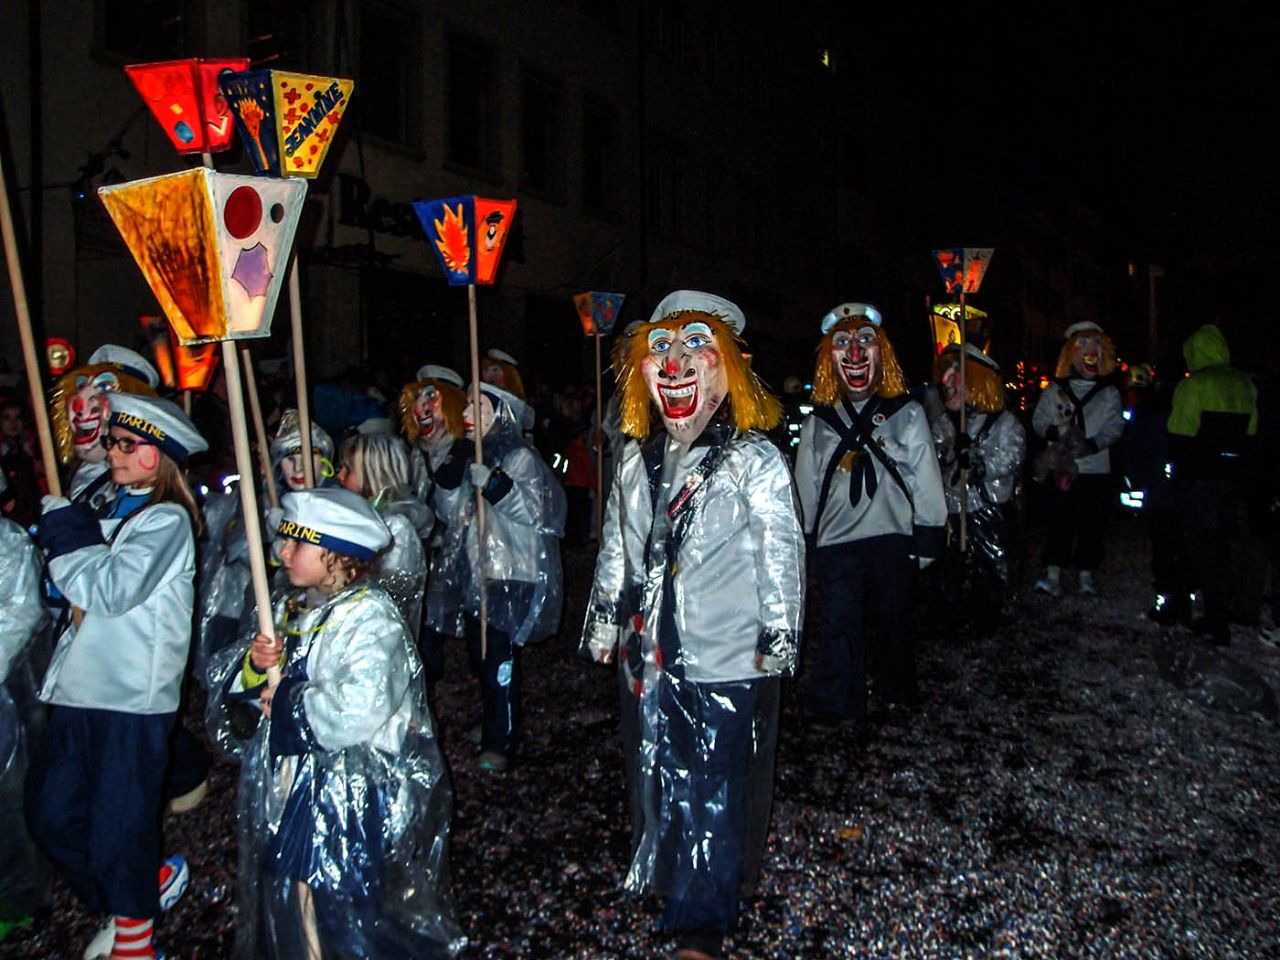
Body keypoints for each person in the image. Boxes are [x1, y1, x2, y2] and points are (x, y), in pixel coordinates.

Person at [582, 290, 804, 960]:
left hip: (725, 655)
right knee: (651, 761)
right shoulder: (631, 458)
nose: (674, 363)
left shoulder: (753, 460)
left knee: (713, 776)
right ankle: (669, 869)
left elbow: (781, 551)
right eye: (659, 349)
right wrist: (601, 624)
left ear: (728, 367)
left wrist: (780, 633)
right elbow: (616, 548)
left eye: (694, 346)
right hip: (645, 653)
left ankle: (703, 915)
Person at [207, 488, 464, 958]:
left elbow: (359, 709)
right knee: (295, 893)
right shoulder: (294, 610)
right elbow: (253, 695)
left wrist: (288, 699)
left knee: (340, 901)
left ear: (336, 556)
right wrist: (255, 665)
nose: (282, 551)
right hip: (299, 786)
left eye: (296, 543)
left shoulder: (371, 619)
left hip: (352, 794)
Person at [26, 393, 204, 960]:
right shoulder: (104, 505)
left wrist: (66, 534)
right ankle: (134, 895)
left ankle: (135, 938)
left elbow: (108, 589)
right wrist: (60, 537)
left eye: (130, 445)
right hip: (79, 687)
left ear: (163, 457)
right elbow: (68, 587)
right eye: (112, 442)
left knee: (118, 826)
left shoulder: (168, 520)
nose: (115, 452)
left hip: (131, 698)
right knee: (50, 813)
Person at [794, 302, 947, 722]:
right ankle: (836, 702)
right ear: (830, 358)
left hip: (892, 540)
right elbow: (806, 487)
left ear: (883, 353)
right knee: (840, 622)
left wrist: (929, 538)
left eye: (866, 342)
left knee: (893, 620)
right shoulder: (817, 423)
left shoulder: (908, 414)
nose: (856, 353)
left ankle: (894, 691)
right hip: (836, 543)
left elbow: (926, 480)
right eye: (843, 343)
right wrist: (804, 541)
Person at [427, 382, 565, 773]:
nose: (468, 410)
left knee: (498, 658)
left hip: (510, 573)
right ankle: (493, 719)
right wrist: (450, 480)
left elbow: (539, 511)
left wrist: (494, 483)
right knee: (480, 654)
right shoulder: (470, 451)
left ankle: (500, 738)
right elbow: (451, 515)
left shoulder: (519, 457)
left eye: (479, 404)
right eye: (467, 402)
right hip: (477, 574)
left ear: (500, 413)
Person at [1167, 323, 1259, 645]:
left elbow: (1178, 433)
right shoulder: (1244, 383)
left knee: (1201, 547)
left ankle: (1212, 617)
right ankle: (1226, 607)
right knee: (1225, 544)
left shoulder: (1194, 385)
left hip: (1199, 480)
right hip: (1234, 480)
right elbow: (1252, 433)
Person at [929, 343, 1026, 635]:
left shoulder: (1003, 422)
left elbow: (1011, 455)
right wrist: (947, 452)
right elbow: (931, 454)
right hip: (953, 510)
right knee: (952, 565)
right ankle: (952, 612)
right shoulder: (944, 423)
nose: (948, 381)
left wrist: (977, 461)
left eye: (957, 374)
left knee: (989, 564)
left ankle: (988, 613)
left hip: (988, 509)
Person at [1030, 321, 1126, 597]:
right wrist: (1055, 432)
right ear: (1070, 353)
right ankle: (1053, 575)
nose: (1090, 350)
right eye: (1082, 344)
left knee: (1091, 525)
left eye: (1095, 344)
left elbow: (1115, 426)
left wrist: (1093, 445)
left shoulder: (1109, 393)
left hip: (1095, 471)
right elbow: (1038, 420)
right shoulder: (1054, 390)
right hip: (1062, 469)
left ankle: (1086, 576)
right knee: (1059, 521)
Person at [0, 470, 48, 939]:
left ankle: (22, 898)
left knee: (9, 799)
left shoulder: (10, 545)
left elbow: (21, 615)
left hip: (7, 692)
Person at [1116, 364, 1192, 623]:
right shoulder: (1174, 415)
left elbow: (1134, 455)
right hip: (1179, 492)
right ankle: (1183, 598)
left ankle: (1168, 601)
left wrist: (1133, 487)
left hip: (1160, 494)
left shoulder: (1144, 417)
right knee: (1179, 546)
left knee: (1164, 549)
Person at [337, 432, 432, 637]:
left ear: (373, 474)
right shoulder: (360, 518)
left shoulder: (397, 528)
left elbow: (395, 596)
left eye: (348, 470)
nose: (340, 476)